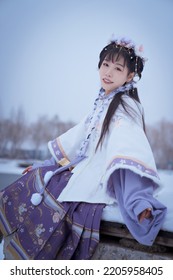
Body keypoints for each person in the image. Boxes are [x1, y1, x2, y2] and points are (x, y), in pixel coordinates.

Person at [0, 37, 167, 260]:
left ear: (129, 76)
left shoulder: (126, 106)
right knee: (30, 184)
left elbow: (129, 148)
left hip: (95, 177)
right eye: (105, 64)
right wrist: (46, 165)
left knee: (57, 202)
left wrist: (138, 200)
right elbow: (78, 140)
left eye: (118, 68)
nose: (108, 72)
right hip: (80, 169)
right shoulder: (104, 101)